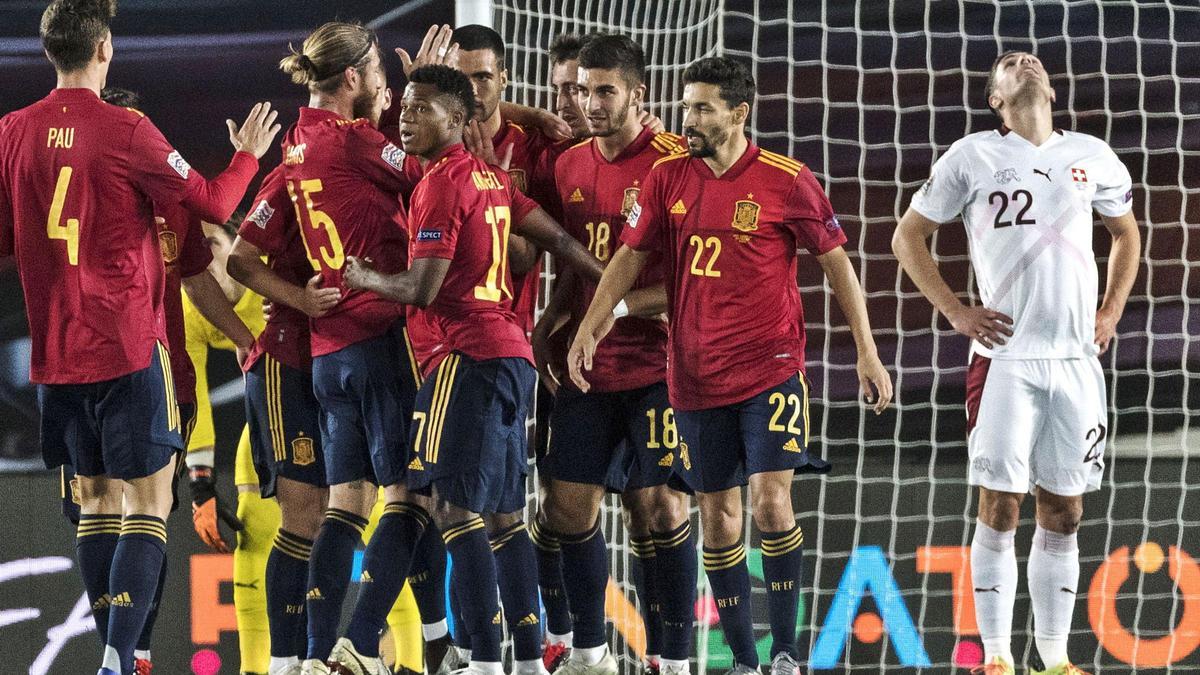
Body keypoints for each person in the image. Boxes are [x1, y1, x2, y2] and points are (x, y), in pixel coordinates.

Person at [568, 56, 892, 675]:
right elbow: (629, 259)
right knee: (717, 514)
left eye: (702, 107)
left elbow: (838, 267)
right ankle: (745, 660)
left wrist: (868, 352)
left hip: (771, 368)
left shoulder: (786, 180)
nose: (688, 118)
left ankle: (788, 653)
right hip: (691, 376)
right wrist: (591, 324)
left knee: (771, 503)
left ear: (739, 112)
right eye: (687, 106)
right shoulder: (667, 179)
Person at [0, 1, 277, 672]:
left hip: (55, 354)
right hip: (127, 347)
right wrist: (246, 157)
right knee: (148, 505)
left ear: (48, 52)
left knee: (95, 506)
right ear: (104, 51)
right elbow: (212, 203)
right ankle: (123, 656)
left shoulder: (11, 130)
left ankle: (116, 656)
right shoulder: (127, 130)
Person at [341, 63, 603, 675]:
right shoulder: (490, 177)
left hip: (464, 356)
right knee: (508, 520)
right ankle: (531, 662)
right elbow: (561, 242)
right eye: (404, 106)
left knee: (453, 511)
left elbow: (424, 288)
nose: (406, 117)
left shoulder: (437, 185)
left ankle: (481, 662)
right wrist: (613, 288)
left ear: (458, 120)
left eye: (421, 108)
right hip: (509, 355)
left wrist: (368, 278)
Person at [892, 50, 1139, 675]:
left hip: (1078, 361)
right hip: (1006, 360)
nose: (1021, 61)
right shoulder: (973, 155)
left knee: (1067, 511)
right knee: (1000, 505)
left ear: (1051, 89)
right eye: (1007, 64)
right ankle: (997, 658)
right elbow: (906, 236)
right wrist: (955, 312)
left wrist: (1109, 312)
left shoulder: (1092, 154)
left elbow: (1127, 235)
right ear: (995, 100)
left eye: (1029, 61)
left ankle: (1053, 661)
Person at [225, 21, 446, 675]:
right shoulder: (354, 142)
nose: (382, 80)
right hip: (377, 339)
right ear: (353, 78)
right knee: (411, 495)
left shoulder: (296, 149)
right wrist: (426, 95)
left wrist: (300, 302)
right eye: (377, 69)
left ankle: (320, 657)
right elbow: (437, 174)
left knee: (344, 500)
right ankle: (365, 639)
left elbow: (241, 254)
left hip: (326, 357)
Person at [533, 34, 692, 675]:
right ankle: (591, 654)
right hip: (586, 363)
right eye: (580, 90)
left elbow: (690, 280)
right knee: (565, 507)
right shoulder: (569, 165)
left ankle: (672, 659)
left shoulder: (676, 164)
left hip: (660, 366)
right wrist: (551, 322)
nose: (588, 103)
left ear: (637, 93)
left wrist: (617, 311)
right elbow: (575, 266)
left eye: (604, 91)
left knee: (657, 509)